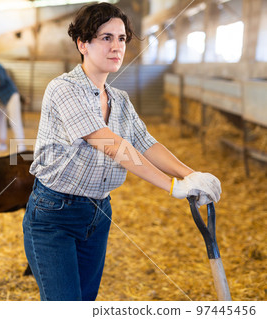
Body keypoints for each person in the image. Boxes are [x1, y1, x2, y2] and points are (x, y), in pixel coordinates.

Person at [22, 3, 222, 301]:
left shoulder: (120, 100)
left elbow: (146, 142)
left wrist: (192, 175)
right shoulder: (63, 88)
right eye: (106, 38)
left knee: (86, 301)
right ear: (82, 44)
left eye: (122, 39)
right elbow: (109, 143)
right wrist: (171, 186)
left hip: (99, 213)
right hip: (54, 215)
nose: (117, 46)